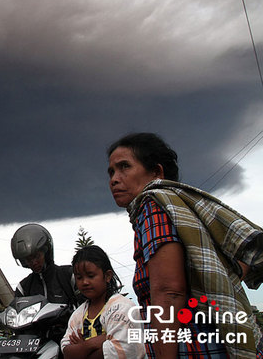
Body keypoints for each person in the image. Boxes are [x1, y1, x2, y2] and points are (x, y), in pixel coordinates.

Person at [107, 132, 263, 359]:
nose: (114, 178)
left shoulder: (153, 204)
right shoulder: (184, 212)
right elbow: (233, 268)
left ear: (156, 173)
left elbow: (168, 292)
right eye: (111, 171)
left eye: (124, 167)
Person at [61, 245, 145, 359]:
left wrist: (81, 348)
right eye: (79, 277)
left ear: (107, 276)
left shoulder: (122, 308)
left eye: (91, 276)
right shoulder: (78, 315)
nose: (85, 282)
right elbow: (67, 353)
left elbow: (123, 350)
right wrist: (93, 343)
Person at [11, 223, 78, 345]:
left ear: (46, 252)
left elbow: (86, 307)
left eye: (36, 256)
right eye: (28, 259)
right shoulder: (24, 287)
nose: (33, 262)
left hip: (69, 341)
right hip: (36, 345)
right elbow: (17, 315)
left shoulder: (68, 275)